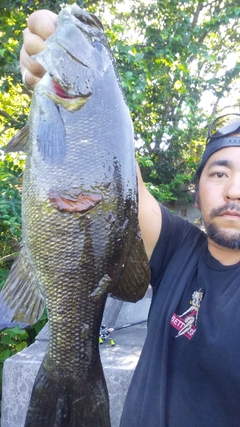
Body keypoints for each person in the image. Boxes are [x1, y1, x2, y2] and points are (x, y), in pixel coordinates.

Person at [20, 10, 240, 427]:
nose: (234, 191)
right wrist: (47, 50)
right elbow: (120, 174)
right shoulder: (179, 249)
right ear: (197, 188)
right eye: (219, 172)